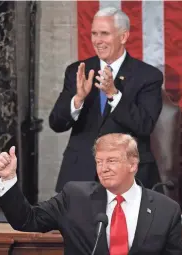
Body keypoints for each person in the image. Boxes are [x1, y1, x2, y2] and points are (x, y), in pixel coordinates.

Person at [0, 133, 182, 255]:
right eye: (99, 162)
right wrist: (8, 179)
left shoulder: (166, 210)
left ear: (133, 164)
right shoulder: (74, 196)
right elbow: (27, 220)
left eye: (111, 161)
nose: (104, 168)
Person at [49, 7, 163, 192]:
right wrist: (78, 100)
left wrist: (114, 94)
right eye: (94, 33)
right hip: (80, 175)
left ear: (123, 37)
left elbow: (144, 125)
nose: (97, 41)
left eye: (104, 34)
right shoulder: (78, 71)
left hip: (128, 177)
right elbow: (56, 123)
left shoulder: (148, 76)